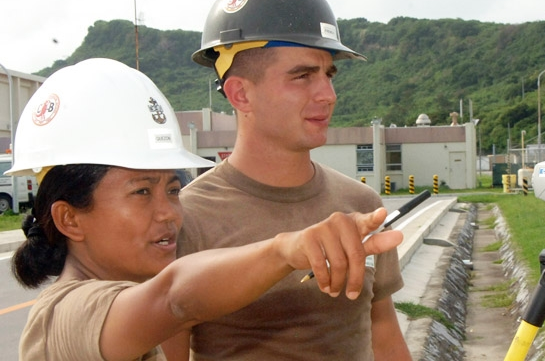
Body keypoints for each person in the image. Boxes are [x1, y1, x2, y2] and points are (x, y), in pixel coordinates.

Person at [9, 58, 403, 361]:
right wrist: (285, 250)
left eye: (173, 189)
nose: (169, 213)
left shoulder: (129, 308)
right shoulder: (65, 316)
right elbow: (175, 297)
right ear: (69, 218)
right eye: (142, 191)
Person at [174, 0, 412, 361]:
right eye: (302, 76)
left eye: (329, 75)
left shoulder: (361, 205)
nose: (328, 94)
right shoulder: (188, 218)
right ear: (240, 94)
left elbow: (384, 334)